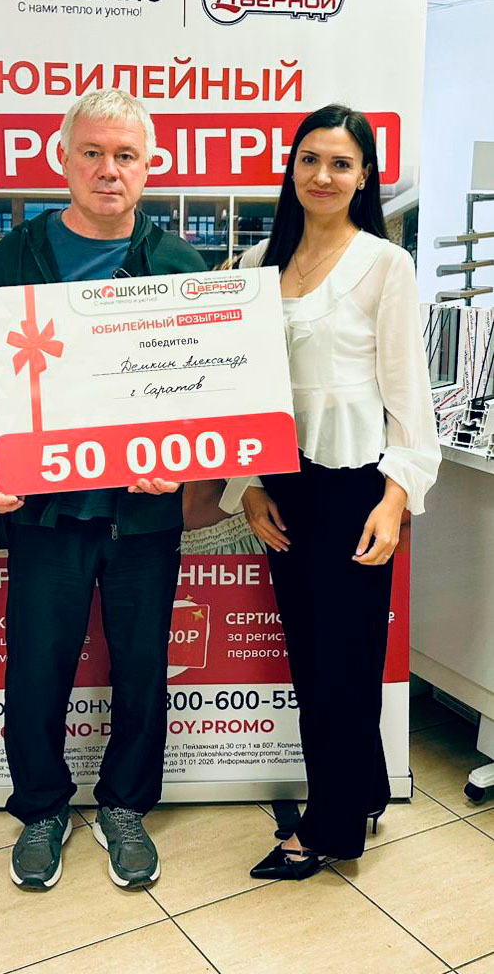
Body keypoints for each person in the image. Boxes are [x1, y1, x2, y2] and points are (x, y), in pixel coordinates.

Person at [0, 89, 206, 891]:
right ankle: (41, 810)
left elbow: (204, 393)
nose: (108, 169)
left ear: (149, 166)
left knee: (142, 668)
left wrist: (184, 460)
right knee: (36, 668)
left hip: (144, 512)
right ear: (63, 160)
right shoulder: (17, 257)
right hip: (45, 511)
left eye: (125, 155)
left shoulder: (180, 267)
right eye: (91, 152)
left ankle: (125, 806)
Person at [220, 104, 440, 880]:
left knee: (344, 663)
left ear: (364, 176)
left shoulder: (386, 263)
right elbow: (237, 390)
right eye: (309, 159)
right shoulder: (255, 265)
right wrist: (248, 486)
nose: (322, 175)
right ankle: (365, 788)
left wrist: (396, 497)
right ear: (291, 169)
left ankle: (330, 827)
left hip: (357, 484)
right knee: (313, 657)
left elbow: (408, 392)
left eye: (341, 163)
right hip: (285, 482)